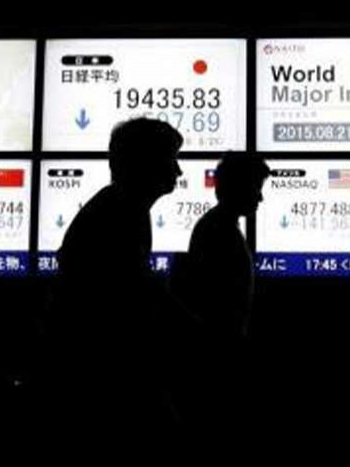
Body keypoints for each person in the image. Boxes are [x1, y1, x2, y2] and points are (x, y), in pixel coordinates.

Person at [46, 117, 191, 431]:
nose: (178, 171)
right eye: (171, 160)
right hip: (105, 378)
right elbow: (128, 296)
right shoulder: (123, 214)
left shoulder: (116, 207)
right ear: (146, 162)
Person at [169, 152, 271, 426]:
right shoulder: (220, 232)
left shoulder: (215, 226)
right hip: (218, 353)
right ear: (238, 187)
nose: (260, 199)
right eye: (256, 189)